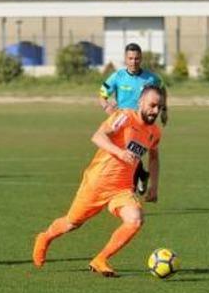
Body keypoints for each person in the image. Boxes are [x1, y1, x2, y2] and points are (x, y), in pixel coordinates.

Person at [34, 85, 164, 277]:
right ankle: (45, 237)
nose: (155, 111)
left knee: (135, 220)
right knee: (72, 223)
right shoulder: (125, 118)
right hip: (97, 183)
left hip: (122, 189)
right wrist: (120, 152)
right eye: (152, 105)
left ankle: (100, 259)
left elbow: (153, 157)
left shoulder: (154, 132)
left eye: (159, 107)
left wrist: (154, 185)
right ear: (141, 102)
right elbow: (98, 136)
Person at [99, 42, 167, 195]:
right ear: (125, 59)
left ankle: (131, 188)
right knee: (129, 154)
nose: (134, 62)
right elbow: (102, 93)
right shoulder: (118, 76)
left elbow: (162, 90)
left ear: (141, 58)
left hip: (142, 123)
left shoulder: (151, 78)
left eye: (136, 58)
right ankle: (140, 176)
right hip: (122, 122)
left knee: (132, 154)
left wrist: (164, 110)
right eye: (130, 58)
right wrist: (106, 106)